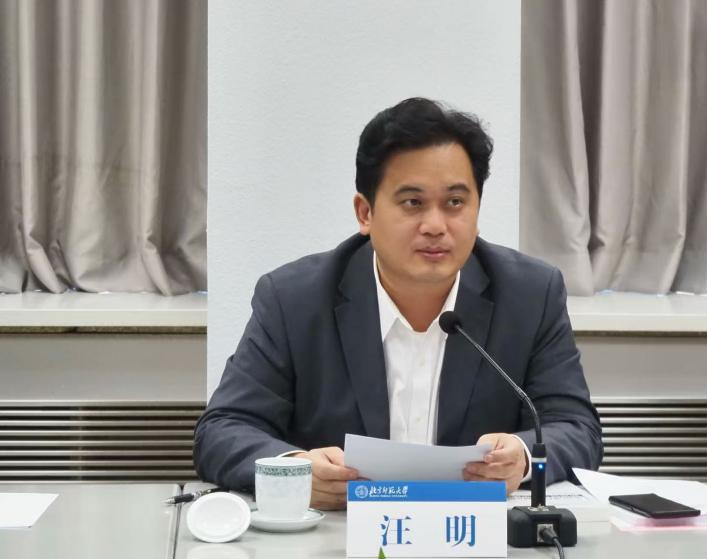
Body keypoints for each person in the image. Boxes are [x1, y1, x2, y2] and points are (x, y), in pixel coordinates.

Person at [194, 97, 603, 510]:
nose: (435, 226)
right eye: (413, 203)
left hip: (472, 533)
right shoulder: (294, 300)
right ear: (365, 212)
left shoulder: (530, 295)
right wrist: (294, 470)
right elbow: (223, 430)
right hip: (340, 535)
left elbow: (575, 427)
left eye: (455, 203)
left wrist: (523, 457)